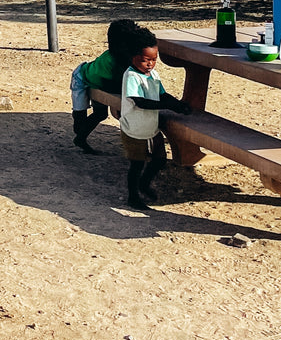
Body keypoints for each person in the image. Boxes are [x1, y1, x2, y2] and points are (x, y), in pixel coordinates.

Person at [120, 30, 191, 208]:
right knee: (136, 165)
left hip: (151, 127)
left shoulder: (153, 75)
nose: (150, 64)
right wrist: (166, 106)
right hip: (134, 129)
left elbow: (162, 95)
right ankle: (133, 197)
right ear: (133, 57)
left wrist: (177, 105)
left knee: (159, 159)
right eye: (145, 60)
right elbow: (140, 102)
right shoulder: (131, 77)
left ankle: (144, 183)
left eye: (154, 59)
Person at [70, 18, 145, 153]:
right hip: (81, 79)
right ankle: (80, 134)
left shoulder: (123, 56)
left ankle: (80, 139)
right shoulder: (111, 61)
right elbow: (111, 84)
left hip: (98, 82)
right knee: (80, 119)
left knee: (100, 114)